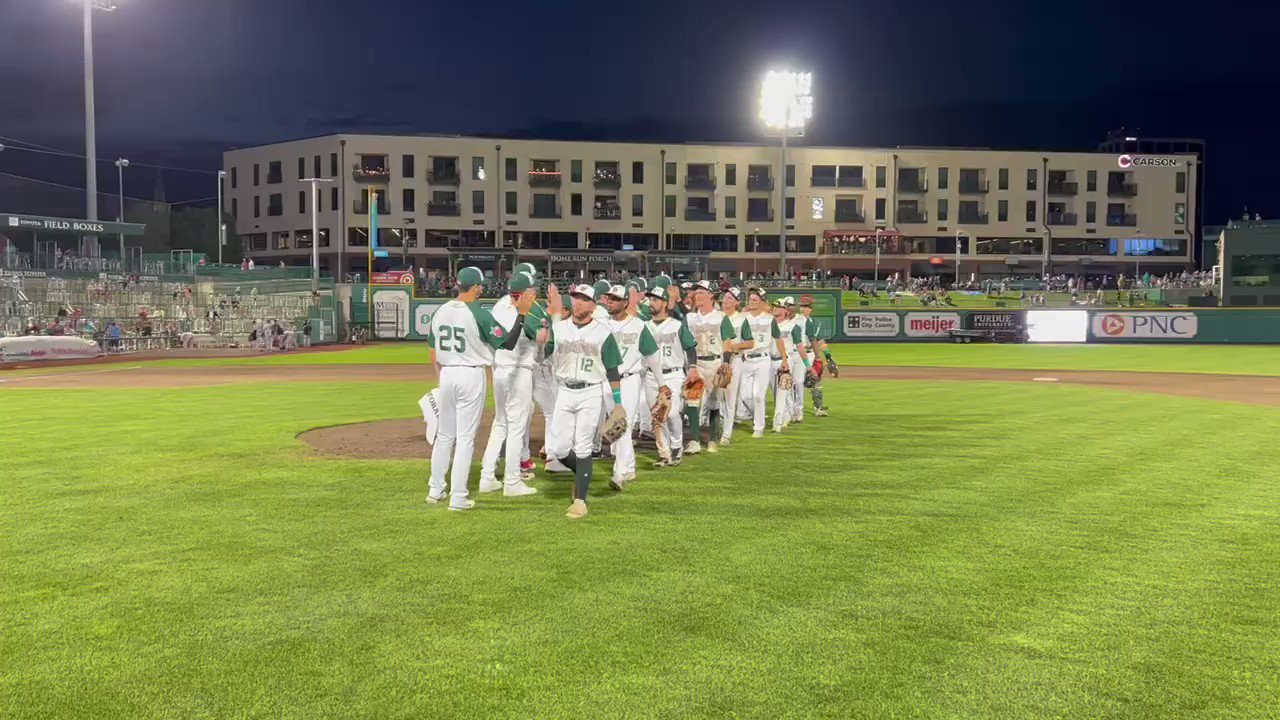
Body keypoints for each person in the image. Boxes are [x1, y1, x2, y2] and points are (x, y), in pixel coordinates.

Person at [426, 266, 533, 511]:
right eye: (480, 285)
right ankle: (459, 497)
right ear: (474, 287)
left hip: (447, 373)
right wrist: (523, 315)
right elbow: (507, 342)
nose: (482, 289)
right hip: (470, 374)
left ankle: (435, 490)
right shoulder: (478, 312)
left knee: (444, 436)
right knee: (465, 438)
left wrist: (439, 376)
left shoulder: (440, 311)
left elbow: (432, 347)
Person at [538, 283, 624, 519]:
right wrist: (541, 341)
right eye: (575, 298)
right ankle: (583, 474)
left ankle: (580, 501)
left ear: (593, 305)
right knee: (559, 448)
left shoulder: (603, 333)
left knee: (584, 445)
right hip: (564, 391)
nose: (577, 303)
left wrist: (617, 403)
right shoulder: (560, 328)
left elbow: (613, 370)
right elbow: (544, 354)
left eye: (583, 299)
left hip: (590, 392)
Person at [478, 272, 541, 498]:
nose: (535, 292)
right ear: (525, 292)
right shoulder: (529, 309)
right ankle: (512, 481)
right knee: (516, 427)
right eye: (532, 289)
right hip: (519, 372)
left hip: (499, 371)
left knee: (500, 423)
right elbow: (541, 337)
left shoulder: (498, 306)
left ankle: (487, 477)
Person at [600, 283, 663, 490]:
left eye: (615, 299)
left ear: (625, 302)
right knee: (614, 428)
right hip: (604, 380)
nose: (610, 301)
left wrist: (662, 385)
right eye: (609, 298)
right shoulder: (600, 324)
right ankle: (629, 467)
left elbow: (652, 357)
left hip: (629, 379)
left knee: (622, 424)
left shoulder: (638, 326)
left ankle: (619, 473)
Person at [644, 281, 698, 467]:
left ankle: (676, 445)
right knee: (658, 415)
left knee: (673, 412)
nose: (651, 302)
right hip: (651, 375)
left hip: (673, 373)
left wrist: (692, 368)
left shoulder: (676, 325)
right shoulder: (644, 326)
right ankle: (664, 453)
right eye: (650, 299)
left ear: (666, 303)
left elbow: (690, 347)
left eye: (656, 299)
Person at [683, 280, 735, 454]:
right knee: (692, 400)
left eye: (701, 293)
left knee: (714, 402)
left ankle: (712, 439)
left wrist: (726, 362)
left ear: (711, 295)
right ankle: (695, 440)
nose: (697, 295)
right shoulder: (690, 317)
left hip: (715, 363)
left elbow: (727, 341)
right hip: (695, 363)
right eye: (696, 293)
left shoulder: (721, 317)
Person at [739, 290, 785, 438]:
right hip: (746, 359)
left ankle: (758, 427)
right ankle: (759, 415)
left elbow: (778, 339)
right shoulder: (742, 318)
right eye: (750, 299)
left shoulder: (769, 319)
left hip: (763, 359)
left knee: (758, 395)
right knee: (745, 396)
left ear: (761, 302)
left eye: (755, 299)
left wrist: (784, 359)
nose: (752, 302)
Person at [717, 286, 748, 446]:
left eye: (730, 298)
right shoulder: (717, 317)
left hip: (735, 360)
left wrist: (733, 347)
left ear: (736, 302)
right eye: (725, 296)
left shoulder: (741, 319)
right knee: (716, 397)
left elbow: (751, 342)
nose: (725, 299)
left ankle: (726, 434)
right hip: (716, 359)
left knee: (729, 399)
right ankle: (716, 428)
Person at [798, 295, 832, 417]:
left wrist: (828, 356)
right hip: (797, 354)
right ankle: (796, 409)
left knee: (815, 381)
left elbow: (820, 341)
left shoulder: (816, 323)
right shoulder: (795, 321)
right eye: (801, 306)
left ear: (811, 309)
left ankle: (818, 408)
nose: (803, 309)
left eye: (806, 307)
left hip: (811, 354)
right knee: (797, 382)